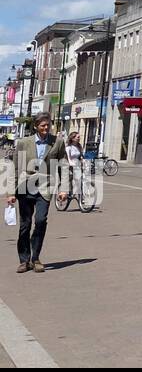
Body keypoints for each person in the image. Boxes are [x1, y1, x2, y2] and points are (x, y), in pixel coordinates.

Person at [4, 114, 68, 273]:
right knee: (25, 225)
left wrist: (63, 188)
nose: (46, 128)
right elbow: (15, 168)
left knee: (40, 221)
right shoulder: (24, 143)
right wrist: (11, 192)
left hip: (45, 187)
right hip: (25, 187)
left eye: (48, 125)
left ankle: (36, 258)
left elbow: (64, 166)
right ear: (36, 127)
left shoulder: (57, 142)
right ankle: (24, 260)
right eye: (43, 126)